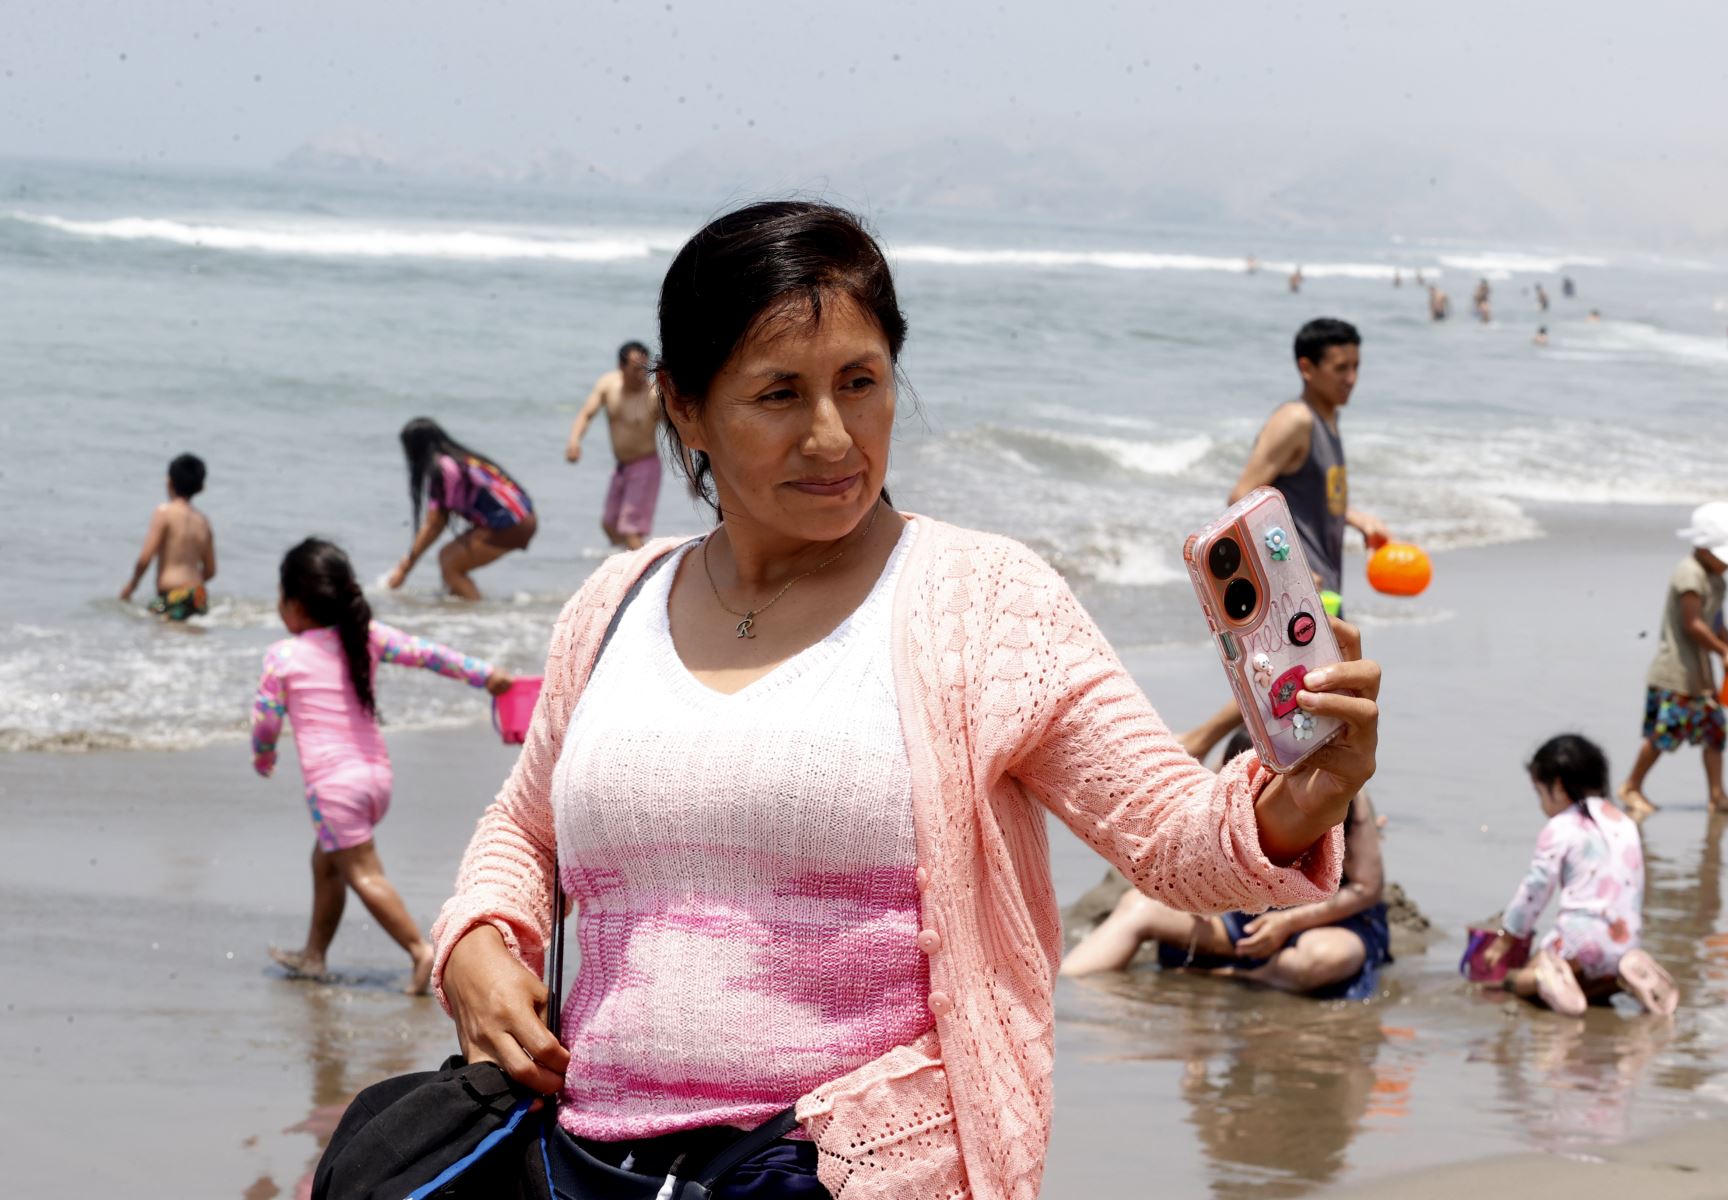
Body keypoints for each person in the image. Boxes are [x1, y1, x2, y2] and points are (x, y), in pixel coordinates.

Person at [429, 201, 1382, 1200]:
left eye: (860, 382)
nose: (832, 435)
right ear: (686, 408)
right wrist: (479, 940)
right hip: (590, 1161)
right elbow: (525, 824)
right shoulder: (613, 605)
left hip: (856, 1169)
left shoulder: (985, 601)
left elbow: (1170, 836)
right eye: (779, 394)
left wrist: (1299, 798)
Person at [253, 538, 512, 994]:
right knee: (327, 861)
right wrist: (484, 674)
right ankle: (314, 956)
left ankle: (420, 951)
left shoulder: (284, 656)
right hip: (376, 780)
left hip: (334, 790)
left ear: (293, 604)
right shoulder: (366, 636)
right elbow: (428, 654)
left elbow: (265, 719)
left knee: (363, 872)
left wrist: (264, 755)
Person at [1062, 727, 1392, 1000]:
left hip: (1324, 920)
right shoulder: (1236, 768)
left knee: (1323, 959)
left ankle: (1234, 977)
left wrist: (1287, 924)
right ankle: (1062, 991)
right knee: (1138, 909)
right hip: (1244, 916)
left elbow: (1367, 888)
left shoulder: (1342, 795)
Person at [1479, 735, 1679, 1018]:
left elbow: (1535, 889)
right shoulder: (1625, 823)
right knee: (1600, 970)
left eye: (1540, 794)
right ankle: (1623, 979)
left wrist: (1506, 938)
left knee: (1515, 982)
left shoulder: (1560, 827)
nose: (1541, 805)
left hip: (1579, 945)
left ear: (1558, 787)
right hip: (1626, 941)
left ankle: (1542, 981)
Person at [1619, 503, 1728, 818]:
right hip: (1676, 674)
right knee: (1662, 735)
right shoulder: (1689, 574)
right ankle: (1631, 786)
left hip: (1701, 677)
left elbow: (1716, 624)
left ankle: (1717, 795)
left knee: (1715, 732)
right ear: (1704, 548)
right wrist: (1724, 653)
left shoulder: (1717, 580)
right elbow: (1694, 624)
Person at [1228, 317, 1390, 600]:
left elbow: (1307, 499)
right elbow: (1240, 501)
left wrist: (1354, 518)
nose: (1351, 379)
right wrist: (1291, 569)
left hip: (1324, 592)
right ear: (1306, 368)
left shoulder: (1328, 419)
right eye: (1341, 368)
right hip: (1297, 598)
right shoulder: (1296, 420)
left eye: (1356, 367)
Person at [385, 418, 537, 600]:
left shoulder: (444, 469)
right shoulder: (463, 459)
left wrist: (405, 567)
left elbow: (435, 524)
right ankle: (463, 613)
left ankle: (477, 616)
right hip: (523, 518)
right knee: (446, 556)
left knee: (452, 566)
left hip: (512, 523)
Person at [566, 340, 663, 551]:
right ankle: (635, 561)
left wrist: (693, 473)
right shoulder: (608, 385)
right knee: (610, 525)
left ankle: (643, 575)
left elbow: (679, 431)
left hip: (645, 466)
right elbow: (587, 414)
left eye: (645, 368)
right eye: (636, 368)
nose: (642, 374)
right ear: (621, 367)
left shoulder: (654, 395)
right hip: (621, 467)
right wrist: (574, 441)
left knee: (630, 530)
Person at [119, 452, 216, 621]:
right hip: (198, 595)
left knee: (154, 626)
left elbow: (145, 558)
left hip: (172, 596)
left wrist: (131, 586)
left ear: (169, 481)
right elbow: (210, 570)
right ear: (200, 488)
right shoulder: (203, 521)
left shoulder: (164, 512)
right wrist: (190, 587)